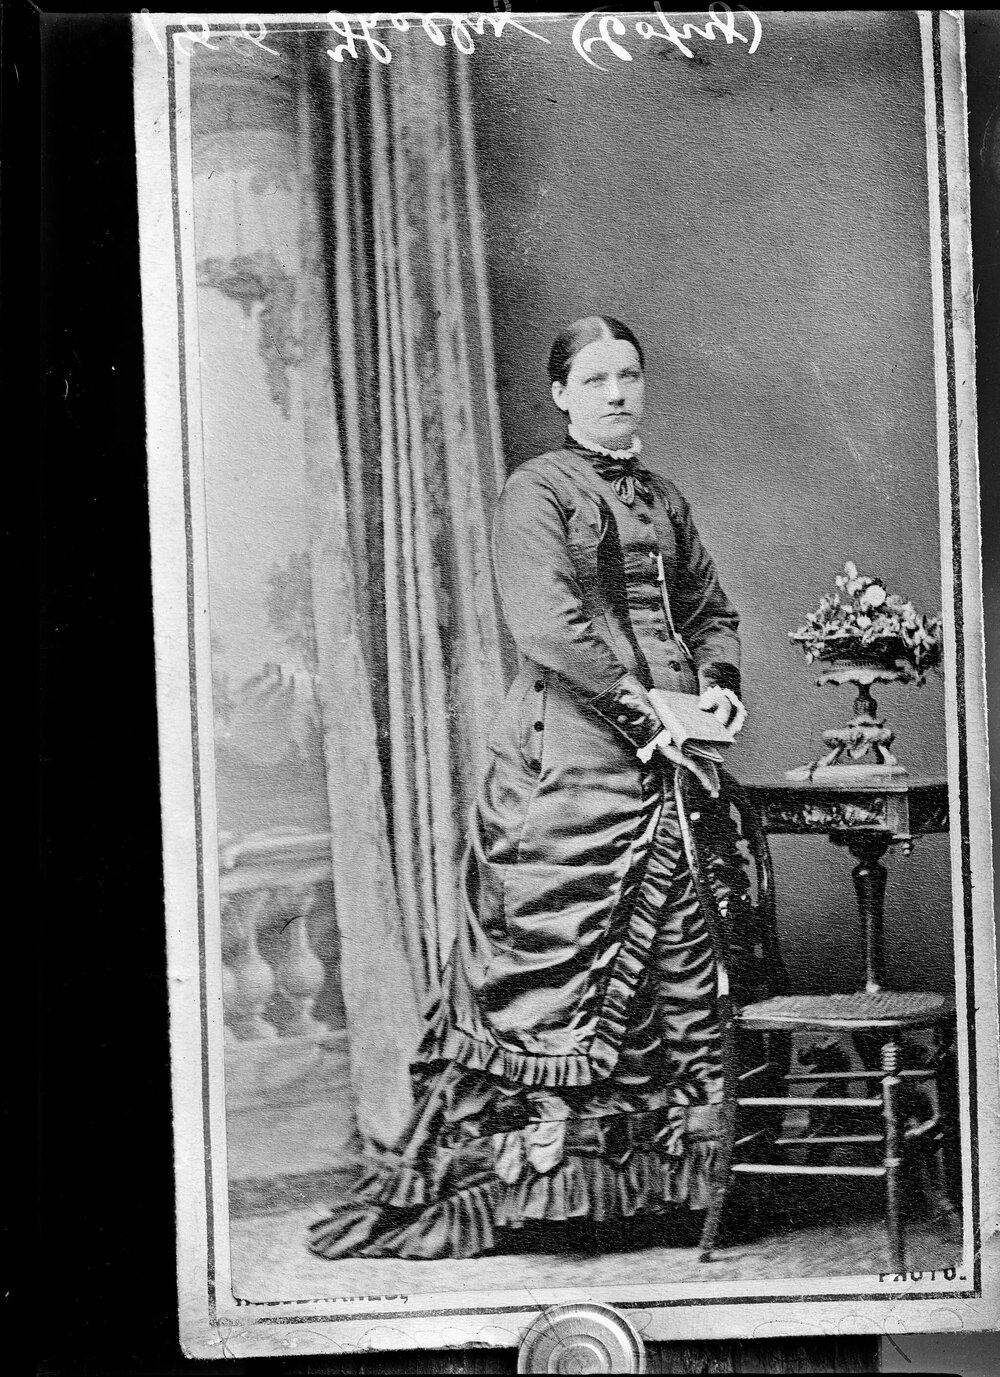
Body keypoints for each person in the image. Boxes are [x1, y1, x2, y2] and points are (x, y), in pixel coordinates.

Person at [309, 315, 747, 1261]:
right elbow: (549, 628)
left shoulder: (666, 498)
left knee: (686, 949)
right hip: (568, 764)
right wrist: (652, 716)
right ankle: (548, 1200)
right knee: (556, 961)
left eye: (630, 374)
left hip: (680, 759)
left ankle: (665, 1196)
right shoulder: (534, 490)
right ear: (561, 394)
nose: (619, 392)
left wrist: (718, 691)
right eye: (597, 379)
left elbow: (709, 607)